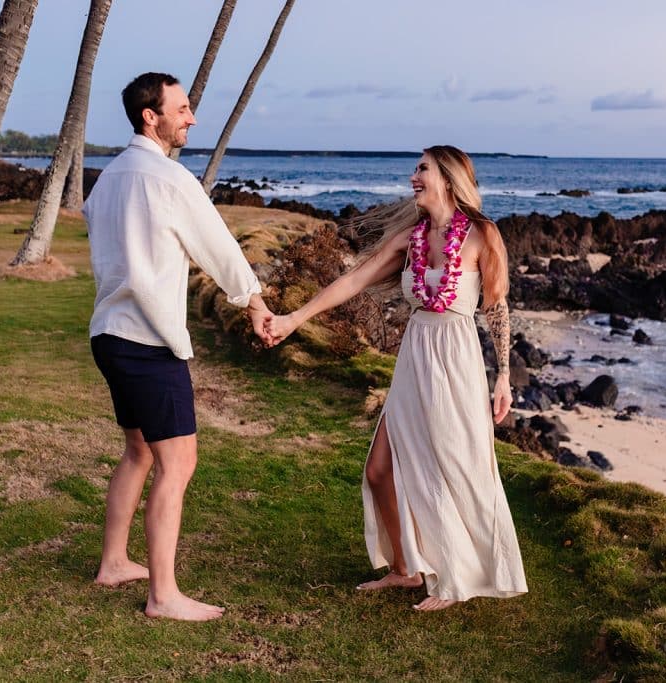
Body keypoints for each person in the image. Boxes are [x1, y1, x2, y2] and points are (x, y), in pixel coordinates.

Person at [265, 145, 528, 610]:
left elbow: (497, 307)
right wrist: (294, 318)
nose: (413, 177)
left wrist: (504, 375)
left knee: (453, 466)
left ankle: (455, 578)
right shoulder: (411, 238)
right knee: (380, 468)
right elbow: (354, 280)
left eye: (422, 169)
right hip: (415, 356)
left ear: (447, 178)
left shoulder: (482, 235)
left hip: (457, 361)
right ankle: (405, 570)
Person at [83, 72, 274, 621]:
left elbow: (102, 237)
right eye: (183, 109)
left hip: (110, 336)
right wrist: (256, 305)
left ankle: (114, 563)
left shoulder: (110, 177)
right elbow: (220, 250)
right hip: (147, 342)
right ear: (152, 115)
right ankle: (163, 596)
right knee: (178, 462)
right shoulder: (167, 178)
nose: (191, 118)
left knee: (139, 451)